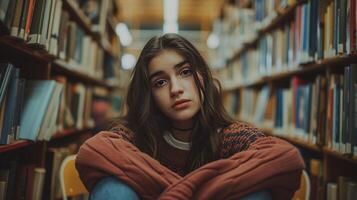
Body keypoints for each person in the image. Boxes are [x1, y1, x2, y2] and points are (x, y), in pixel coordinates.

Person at [75, 33, 305, 200]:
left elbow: (284, 157)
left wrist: (177, 191)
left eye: (185, 72)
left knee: (257, 194)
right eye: (160, 82)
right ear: (149, 95)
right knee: (113, 189)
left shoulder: (230, 136)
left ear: (202, 77)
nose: (176, 88)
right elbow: (95, 149)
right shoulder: (137, 135)